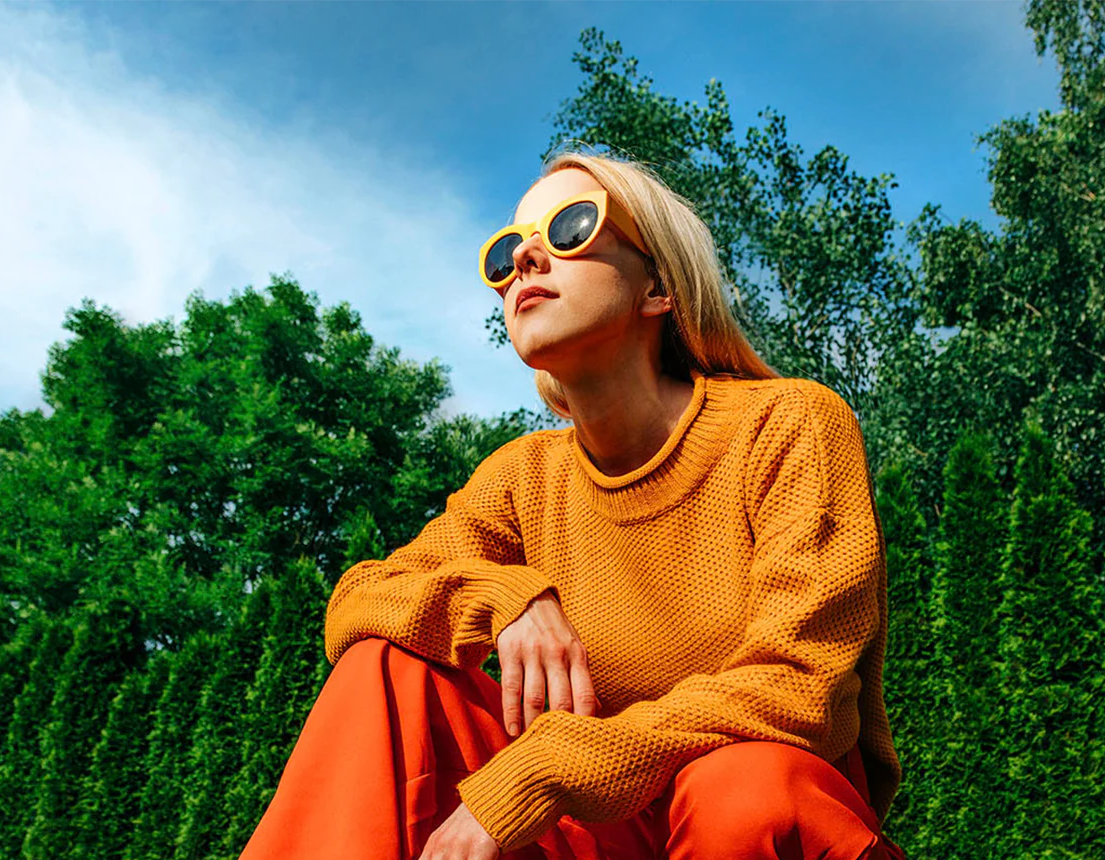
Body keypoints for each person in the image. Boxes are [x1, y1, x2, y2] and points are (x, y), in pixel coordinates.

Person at [237, 150, 905, 860]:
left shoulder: (789, 423)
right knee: (384, 666)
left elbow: (796, 689)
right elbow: (358, 602)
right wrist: (508, 598)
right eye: (506, 250)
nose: (526, 256)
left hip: (763, 825)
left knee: (744, 786)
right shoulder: (523, 478)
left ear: (659, 286)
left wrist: (540, 772)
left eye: (571, 227)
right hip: (599, 840)